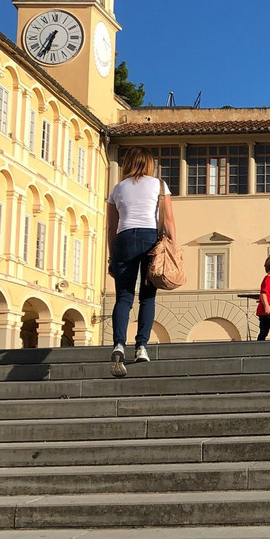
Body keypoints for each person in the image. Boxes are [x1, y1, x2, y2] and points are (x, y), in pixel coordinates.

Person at [107, 146, 176, 377]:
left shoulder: (117, 188)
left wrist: (112, 255)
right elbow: (167, 221)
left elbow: (111, 227)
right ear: (149, 164)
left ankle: (118, 345)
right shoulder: (159, 185)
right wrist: (173, 249)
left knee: (124, 297)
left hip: (124, 240)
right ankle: (141, 347)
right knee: (147, 297)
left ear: (127, 163)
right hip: (149, 240)